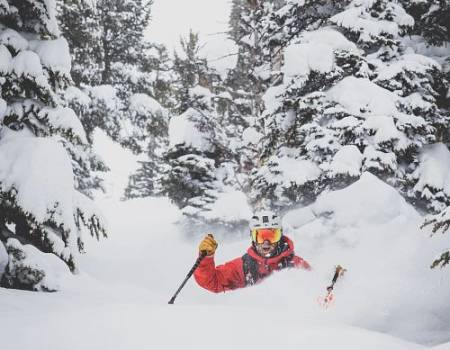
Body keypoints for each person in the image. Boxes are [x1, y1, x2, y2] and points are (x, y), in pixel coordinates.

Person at [194, 211, 311, 293]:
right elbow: (213, 282)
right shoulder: (244, 266)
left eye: (272, 236)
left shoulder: (296, 264)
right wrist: (206, 258)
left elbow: (314, 293)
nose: (266, 243)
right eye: (260, 236)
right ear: (253, 238)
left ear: (280, 236)